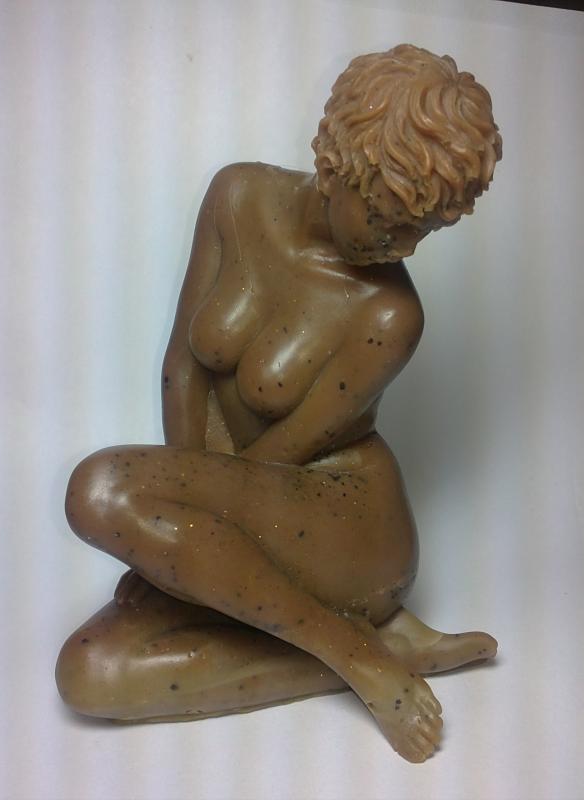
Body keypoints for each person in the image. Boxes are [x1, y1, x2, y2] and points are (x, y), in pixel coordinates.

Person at [56, 44, 502, 763]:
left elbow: (280, 457)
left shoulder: (390, 315)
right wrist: (175, 546)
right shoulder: (237, 196)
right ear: (337, 164)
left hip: (344, 525)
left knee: (98, 489)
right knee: (88, 674)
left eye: (423, 230)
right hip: (241, 523)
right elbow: (182, 367)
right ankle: (369, 650)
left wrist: (173, 544)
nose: (405, 247)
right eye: (388, 218)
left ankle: (354, 652)